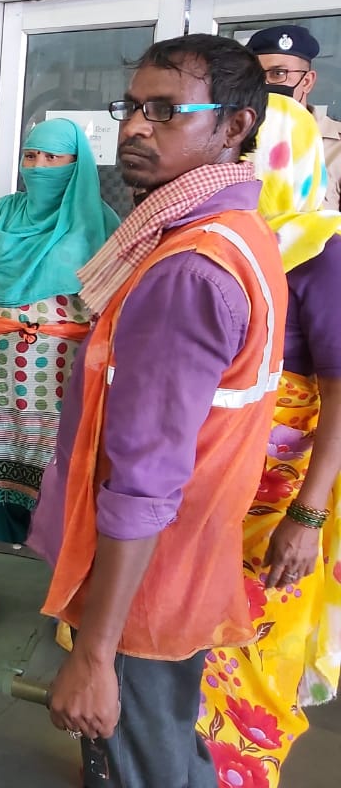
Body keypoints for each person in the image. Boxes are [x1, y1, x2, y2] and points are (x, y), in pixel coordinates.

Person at [28, 34, 288, 787]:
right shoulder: (235, 233)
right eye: (133, 107)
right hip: (178, 561)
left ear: (233, 126)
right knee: (156, 745)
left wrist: (96, 653)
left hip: (143, 582)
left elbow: (145, 480)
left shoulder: (188, 270)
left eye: (167, 110)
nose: (137, 126)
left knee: (142, 758)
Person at [196, 94, 341, 787]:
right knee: (188, 654)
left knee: (252, 656)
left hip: (274, 508)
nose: (230, 166)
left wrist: (307, 517)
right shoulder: (223, 239)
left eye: (247, 154)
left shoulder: (321, 256)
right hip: (211, 489)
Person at [0, 119, 119, 543]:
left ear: (75, 164)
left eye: (52, 157)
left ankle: (48, 571)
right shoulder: (3, 212)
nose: (39, 166)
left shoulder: (98, 222)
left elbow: (122, 287)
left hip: (61, 382)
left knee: (55, 478)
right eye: (31, 155)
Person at [247, 25, 341, 208]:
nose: (265, 83)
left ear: (306, 81)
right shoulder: (236, 138)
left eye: (278, 74)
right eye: (255, 75)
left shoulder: (337, 147)